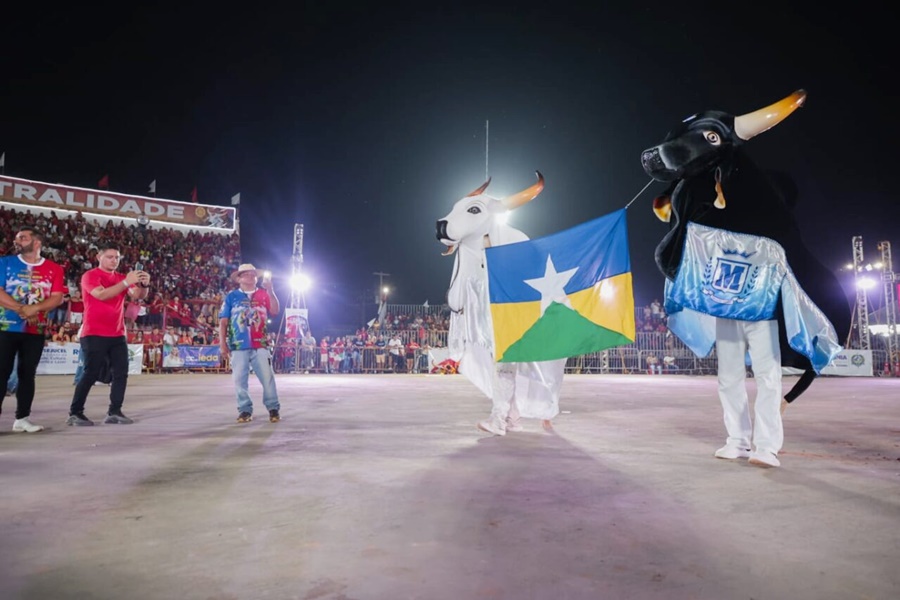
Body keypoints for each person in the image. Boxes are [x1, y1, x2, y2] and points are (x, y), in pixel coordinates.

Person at [67, 243, 151, 426]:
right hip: (94, 332)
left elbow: (137, 296)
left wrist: (144, 285)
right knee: (90, 373)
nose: (114, 260)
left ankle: (115, 411)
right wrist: (126, 282)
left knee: (121, 373)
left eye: (117, 257)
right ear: (99, 257)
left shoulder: (121, 277)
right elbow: (102, 295)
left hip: (117, 333)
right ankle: (75, 412)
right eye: (110, 257)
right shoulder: (90, 276)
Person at [0, 227, 66, 433]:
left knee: (27, 374)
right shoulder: (5, 262)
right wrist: (22, 309)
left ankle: (22, 418)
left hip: (34, 329)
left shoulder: (55, 269)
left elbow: (57, 297)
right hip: (5, 327)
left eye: (22, 237)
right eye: (17, 237)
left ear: (36, 243)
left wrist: (35, 309)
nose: (16, 240)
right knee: (1, 373)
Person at [218, 263, 281, 423]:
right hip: (238, 345)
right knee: (239, 379)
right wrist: (222, 344)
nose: (250, 276)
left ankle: (273, 408)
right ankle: (245, 410)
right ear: (239, 279)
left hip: (261, 343)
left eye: (253, 274)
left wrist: (270, 290)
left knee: (267, 377)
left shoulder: (263, 293)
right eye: (245, 274)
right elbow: (223, 322)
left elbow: (275, 310)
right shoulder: (231, 297)